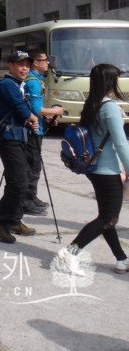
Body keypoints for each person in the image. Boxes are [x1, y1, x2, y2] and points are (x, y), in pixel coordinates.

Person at [57, 64, 129, 274]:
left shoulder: (92, 104)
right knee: (108, 218)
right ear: (110, 82)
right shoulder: (110, 107)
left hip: (93, 168)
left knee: (106, 216)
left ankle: (121, 259)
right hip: (107, 170)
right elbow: (121, 143)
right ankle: (71, 251)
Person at [0, 51, 40, 244]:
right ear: (10, 65)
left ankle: (14, 220)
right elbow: (22, 108)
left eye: (27, 65)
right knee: (19, 183)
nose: (25, 68)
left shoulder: (16, 84)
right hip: (9, 139)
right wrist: (32, 118)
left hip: (18, 137)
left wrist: (31, 120)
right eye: (20, 64)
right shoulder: (8, 84)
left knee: (16, 181)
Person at [23, 49, 65, 216]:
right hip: (32, 130)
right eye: (45, 60)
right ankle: (27, 201)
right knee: (32, 166)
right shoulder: (33, 82)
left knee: (34, 165)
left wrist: (47, 115)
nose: (48, 63)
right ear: (36, 62)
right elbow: (36, 109)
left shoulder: (37, 79)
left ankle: (31, 196)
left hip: (37, 127)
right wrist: (55, 111)